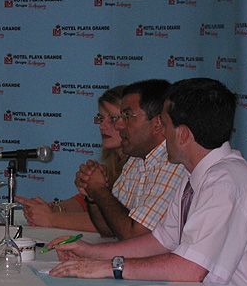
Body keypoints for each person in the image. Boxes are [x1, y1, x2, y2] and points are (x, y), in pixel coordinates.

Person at [49, 78, 247, 286]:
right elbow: (160, 241)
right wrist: (90, 252)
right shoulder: (198, 175)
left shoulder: (225, 182)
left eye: (164, 123)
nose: (161, 131)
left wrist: (110, 267)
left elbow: (189, 270)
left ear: (182, 135)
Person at [75, 79, 188, 240]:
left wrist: (99, 190)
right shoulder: (136, 159)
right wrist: (92, 195)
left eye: (127, 116)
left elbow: (135, 235)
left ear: (157, 123)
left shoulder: (174, 163)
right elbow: (108, 229)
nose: (119, 125)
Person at [15, 85, 127, 232]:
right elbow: (85, 203)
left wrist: (51, 218)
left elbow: (119, 221)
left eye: (112, 119)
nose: (102, 126)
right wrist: (54, 208)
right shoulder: (113, 165)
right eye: (101, 118)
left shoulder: (141, 165)